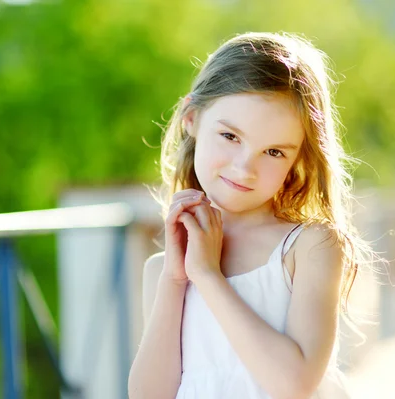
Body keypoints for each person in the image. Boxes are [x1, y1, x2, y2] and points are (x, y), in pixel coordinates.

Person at [128, 31, 377, 399]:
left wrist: (209, 277)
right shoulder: (164, 270)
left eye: (274, 152)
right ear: (192, 118)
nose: (245, 168)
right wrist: (177, 279)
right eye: (230, 136)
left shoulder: (308, 247)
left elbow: (294, 385)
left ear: (297, 160)